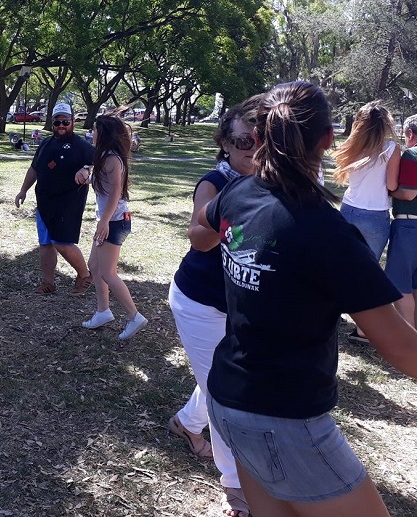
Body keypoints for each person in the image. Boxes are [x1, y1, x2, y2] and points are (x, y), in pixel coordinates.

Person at [193, 81, 417, 516]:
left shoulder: (238, 193)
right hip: (283, 419)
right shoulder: (328, 234)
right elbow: (403, 348)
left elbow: (199, 233)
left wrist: (228, 240)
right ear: (328, 140)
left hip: (226, 400)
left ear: (258, 138)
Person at [165, 97, 262, 517]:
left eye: (261, 141)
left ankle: (186, 423)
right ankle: (236, 488)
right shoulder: (214, 182)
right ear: (224, 142)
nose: (251, 149)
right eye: (242, 140)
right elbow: (197, 238)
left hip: (239, 305)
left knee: (221, 378)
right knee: (226, 392)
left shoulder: (269, 180)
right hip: (199, 302)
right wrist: (228, 211)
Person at [74, 115, 147, 340]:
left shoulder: (112, 158)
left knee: (107, 272)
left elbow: (116, 191)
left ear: (103, 133)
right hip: (109, 220)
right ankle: (103, 311)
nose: (91, 134)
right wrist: (86, 170)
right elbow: (97, 174)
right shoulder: (105, 156)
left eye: (94, 130)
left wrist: (104, 221)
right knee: (94, 266)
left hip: (115, 221)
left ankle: (135, 316)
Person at [332, 101, 400, 343]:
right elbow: (392, 185)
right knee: (367, 271)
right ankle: (362, 329)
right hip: (375, 213)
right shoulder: (392, 148)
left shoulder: (353, 145)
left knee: (339, 265)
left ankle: (331, 312)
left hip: (348, 209)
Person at [15, 102, 94, 294]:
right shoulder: (45, 144)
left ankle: (85, 275)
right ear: (52, 122)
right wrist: (23, 190)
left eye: (65, 121)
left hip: (68, 203)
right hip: (44, 202)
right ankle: (48, 282)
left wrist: (87, 169)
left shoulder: (82, 145)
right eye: (57, 121)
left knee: (62, 242)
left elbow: (99, 165)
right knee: (46, 244)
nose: (61, 125)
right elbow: (35, 168)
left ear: (73, 122)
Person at [385, 114, 417, 327]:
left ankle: (410, 335)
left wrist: (390, 190)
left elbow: (408, 194)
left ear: (409, 133)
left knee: (398, 283)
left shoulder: (411, 155)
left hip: (408, 225)